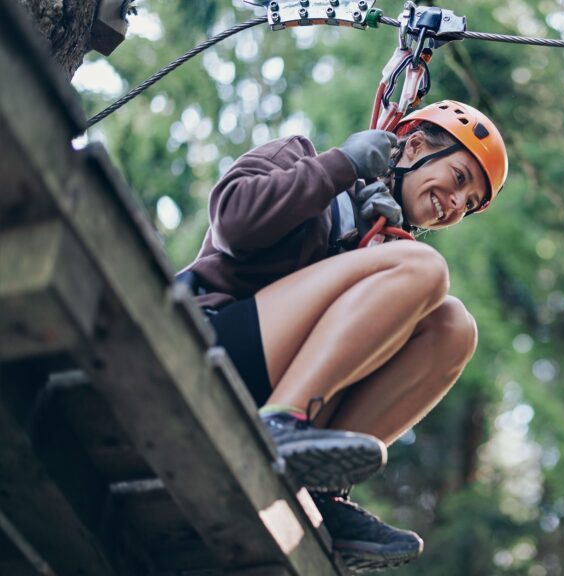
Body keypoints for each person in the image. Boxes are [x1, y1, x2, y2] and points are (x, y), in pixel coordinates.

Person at [177, 100, 508, 572]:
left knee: (453, 328)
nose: (456, 205)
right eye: (458, 179)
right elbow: (232, 221)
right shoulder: (301, 157)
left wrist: (368, 249)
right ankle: (283, 425)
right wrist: (342, 167)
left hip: (272, 383)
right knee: (427, 269)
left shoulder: (390, 255)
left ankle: (320, 485)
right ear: (413, 146)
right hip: (216, 346)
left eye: (469, 204)